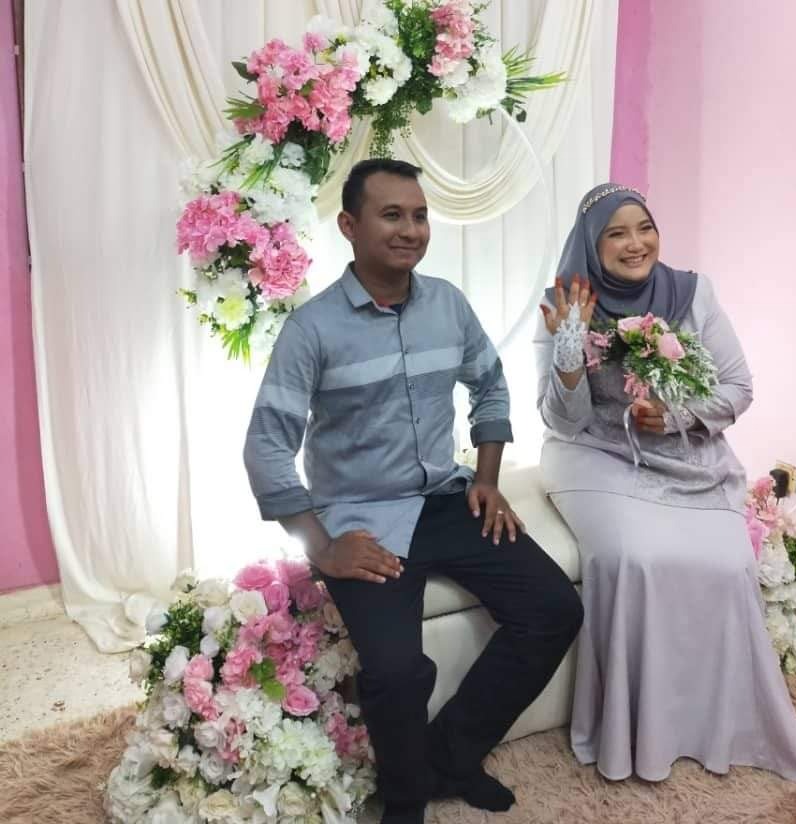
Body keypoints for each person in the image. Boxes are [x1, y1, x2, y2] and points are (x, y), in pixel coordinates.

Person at [244, 158, 583, 824]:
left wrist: (486, 479)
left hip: (448, 500)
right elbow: (266, 447)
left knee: (553, 610)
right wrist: (324, 546)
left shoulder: (447, 305)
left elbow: (489, 385)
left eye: (420, 215)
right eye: (391, 215)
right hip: (361, 520)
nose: (410, 229)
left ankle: (451, 758)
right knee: (397, 671)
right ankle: (403, 802)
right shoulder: (311, 329)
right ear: (349, 226)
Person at [534, 182, 796, 782]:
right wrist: (569, 346)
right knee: (630, 556)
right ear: (591, 244)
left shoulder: (692, 292)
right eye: (616, 233)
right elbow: (564, 420)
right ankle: (636, 731)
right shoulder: (565, 301)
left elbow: (738, 386)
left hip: (686, 451)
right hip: (595, 452)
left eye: (645, 228)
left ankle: (713, 722)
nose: (635, 243)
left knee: (730, 563)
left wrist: (679, 414)